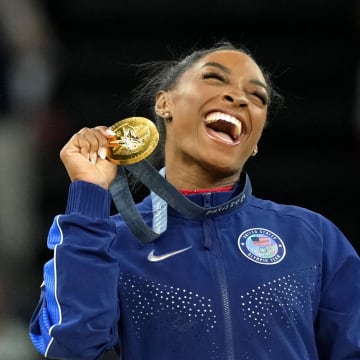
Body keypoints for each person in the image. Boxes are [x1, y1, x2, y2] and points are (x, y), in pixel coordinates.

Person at [29, 40, 360, 360]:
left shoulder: (312, 237)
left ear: (255, 140)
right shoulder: (113, 241)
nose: (239, 98)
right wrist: (88, 195)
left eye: (257, 97)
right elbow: (71, 343)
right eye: (214, 78)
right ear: (164, 103)